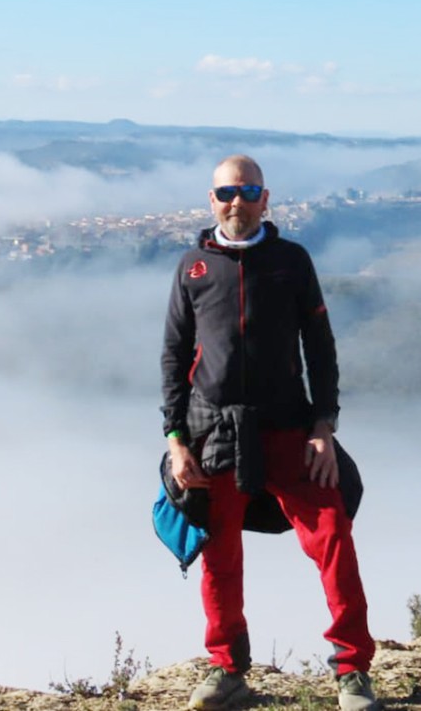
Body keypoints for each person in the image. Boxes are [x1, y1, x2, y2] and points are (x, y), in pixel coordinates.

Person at [159, 155, 379, 711]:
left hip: (288, 425)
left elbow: (320, 347)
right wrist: (175, 439)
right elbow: (173, 354)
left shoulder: (291, 261)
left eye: (248, 190)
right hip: (213, 430)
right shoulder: (192, 267)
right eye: (227, 192)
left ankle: (352, 672)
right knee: (219, 552)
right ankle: (227, 669)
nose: (238, 201)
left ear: (266, 198)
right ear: (212, 200)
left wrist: (323, 427)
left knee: (332, 535)